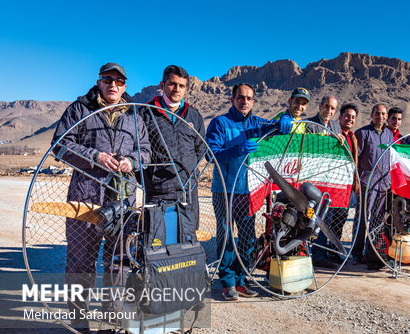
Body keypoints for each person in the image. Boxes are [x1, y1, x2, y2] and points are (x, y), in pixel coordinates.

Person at [52, 63, 150, 333]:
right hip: (87, 194)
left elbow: (147, 154)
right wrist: (95, 156)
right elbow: (59, 145)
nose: (113, 85)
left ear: (125, 86)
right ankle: (78, 317)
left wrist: (131, 162)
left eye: (119, 81)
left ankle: (111, 317)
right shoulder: (79, 110)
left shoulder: (135, 117)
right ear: (99, 81)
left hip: (123, 199)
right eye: (108, 80)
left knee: (118, 260)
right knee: (81, 258)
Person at [206, 84, 292, 300]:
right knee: (226, 236)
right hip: (224, 190)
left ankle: (241, 279)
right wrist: (237, 150)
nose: (245, 101)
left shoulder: (256, 123)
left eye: (249, 98)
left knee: (247, 237)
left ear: (253, 102)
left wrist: (285, 121)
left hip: (248, 191)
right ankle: (227, 282)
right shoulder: (220, 123)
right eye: (241, 97)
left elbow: (274, 127)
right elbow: (211, 154)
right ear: (233, 99)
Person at [142, 65, 206, 209]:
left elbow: (200, 149)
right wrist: (149, 178)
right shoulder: (145, 112)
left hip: (188, 189)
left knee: (188, 231)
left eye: (181, 86)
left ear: (186, 89)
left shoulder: (194, 115)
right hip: (157, 190)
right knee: (156, 231)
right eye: (172, 84)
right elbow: (138, 147)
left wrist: (191, 172)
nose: (177, 89)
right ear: (162, 85)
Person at [312, 103, 359, 268]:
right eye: (347, 116)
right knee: (327, 218)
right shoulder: (333, 134)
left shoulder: (353, 138)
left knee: (340, 219)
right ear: (340, 118)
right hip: (330, 184)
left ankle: (332, 251)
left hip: (345, 186)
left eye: (353, 117)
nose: (350, 119)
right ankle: (318, 254)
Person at [352, 104, 394, 269]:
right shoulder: (362, 133)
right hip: (366, 181)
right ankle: (356, 251)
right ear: (371, 114)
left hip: (383, 183)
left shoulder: (389, 134)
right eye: (377, 113)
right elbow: (356, 159)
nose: (380, 116)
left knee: (378, 218)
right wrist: (356, 180)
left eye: (383, 114)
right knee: (362, 217)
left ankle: (373, 250)